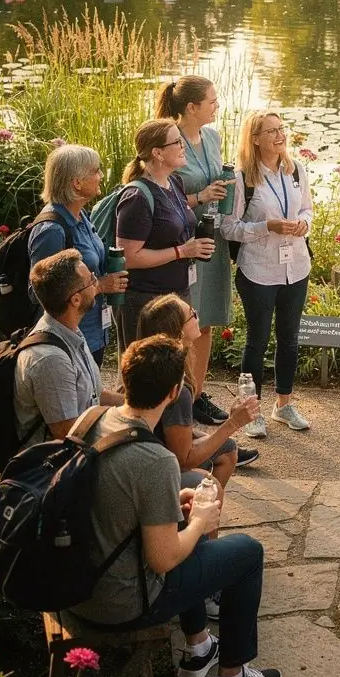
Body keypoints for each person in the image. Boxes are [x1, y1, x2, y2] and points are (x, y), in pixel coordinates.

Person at [64, 335, 282, 677]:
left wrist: (176, 507)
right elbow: (163, 559)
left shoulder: (92, 419)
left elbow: (111, 498)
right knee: (247, 553)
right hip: (119, 601)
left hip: (73, 581)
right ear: (174, 392)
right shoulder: (154, 460)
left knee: (184, 517)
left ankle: (198, 648)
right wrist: (200, 522)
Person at [221, 110, 313, 438]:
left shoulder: (296, 170)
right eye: (271, 131)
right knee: (257, 341)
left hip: (296, 267)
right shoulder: (242, 178)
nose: (279, 136)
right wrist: (267, 227)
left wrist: (304, 223)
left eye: (281, 129)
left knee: (289, 339)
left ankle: (283, 405)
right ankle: (252, 411)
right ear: (255, 138)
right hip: (259, 270)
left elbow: (307, 209)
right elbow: (228, 228)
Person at [155, 76, 232, 425]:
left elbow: (214, 178)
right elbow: (157, 193)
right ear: (191, 107)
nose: (217, 105)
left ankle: (197, 394)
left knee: (207, 321)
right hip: (183, 240)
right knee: (183, 322)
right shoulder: (167, 137)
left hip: (213, 240)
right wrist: (199, 197)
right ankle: (176, 396)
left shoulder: (213, 137)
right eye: (212, 101)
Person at [137, 294, 259, 486]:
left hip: (143, 456)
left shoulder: (144, 364)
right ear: (179, 332)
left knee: (228, 448)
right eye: (191, 314)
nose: (197, 316)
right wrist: (233, 423)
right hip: (155, 472)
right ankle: (196, 511)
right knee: (211, 486)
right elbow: (183, 460)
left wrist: (201, 435)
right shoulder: (178, 388)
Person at [114, 119, 215, 351]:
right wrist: (182, 251)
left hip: (177, 295)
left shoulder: (174, 182)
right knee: (146, 374)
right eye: (177, 141)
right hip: (146, 302)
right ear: (157, 152)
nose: (183, 146)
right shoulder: (137, 197)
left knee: (176, 371)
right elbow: (129, 257)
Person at [28, 144, 129, 366]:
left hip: (92, 335)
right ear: (77, 182)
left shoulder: (81, 215)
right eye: (95, 171)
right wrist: (100, 286)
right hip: (66, 344)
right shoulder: (52, 230)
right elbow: (39, 292)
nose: (101, 175)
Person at [14, 250, 121, 445]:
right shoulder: (50, 360)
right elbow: (69, 436)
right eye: (91, 280)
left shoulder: (69, 331)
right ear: (76, 300)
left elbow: (92, 395)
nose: (96, 283)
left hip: (80, 454)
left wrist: (135, 404)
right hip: (56, 467)